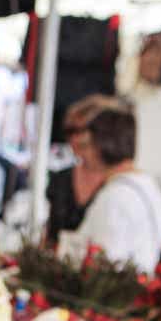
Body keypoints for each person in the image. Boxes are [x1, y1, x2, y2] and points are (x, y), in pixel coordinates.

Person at [75, 107, 161, 274]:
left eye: (87, 145)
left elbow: (103, 266)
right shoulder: (149, 186)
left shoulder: (115, 197)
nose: (82, 154)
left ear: (102, 146)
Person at [45, 94, 121, 242]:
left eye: (81, 130)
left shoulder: (116, 180)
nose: (74, 138)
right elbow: (49, 233)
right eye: (70, 131)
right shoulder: (62, 178)